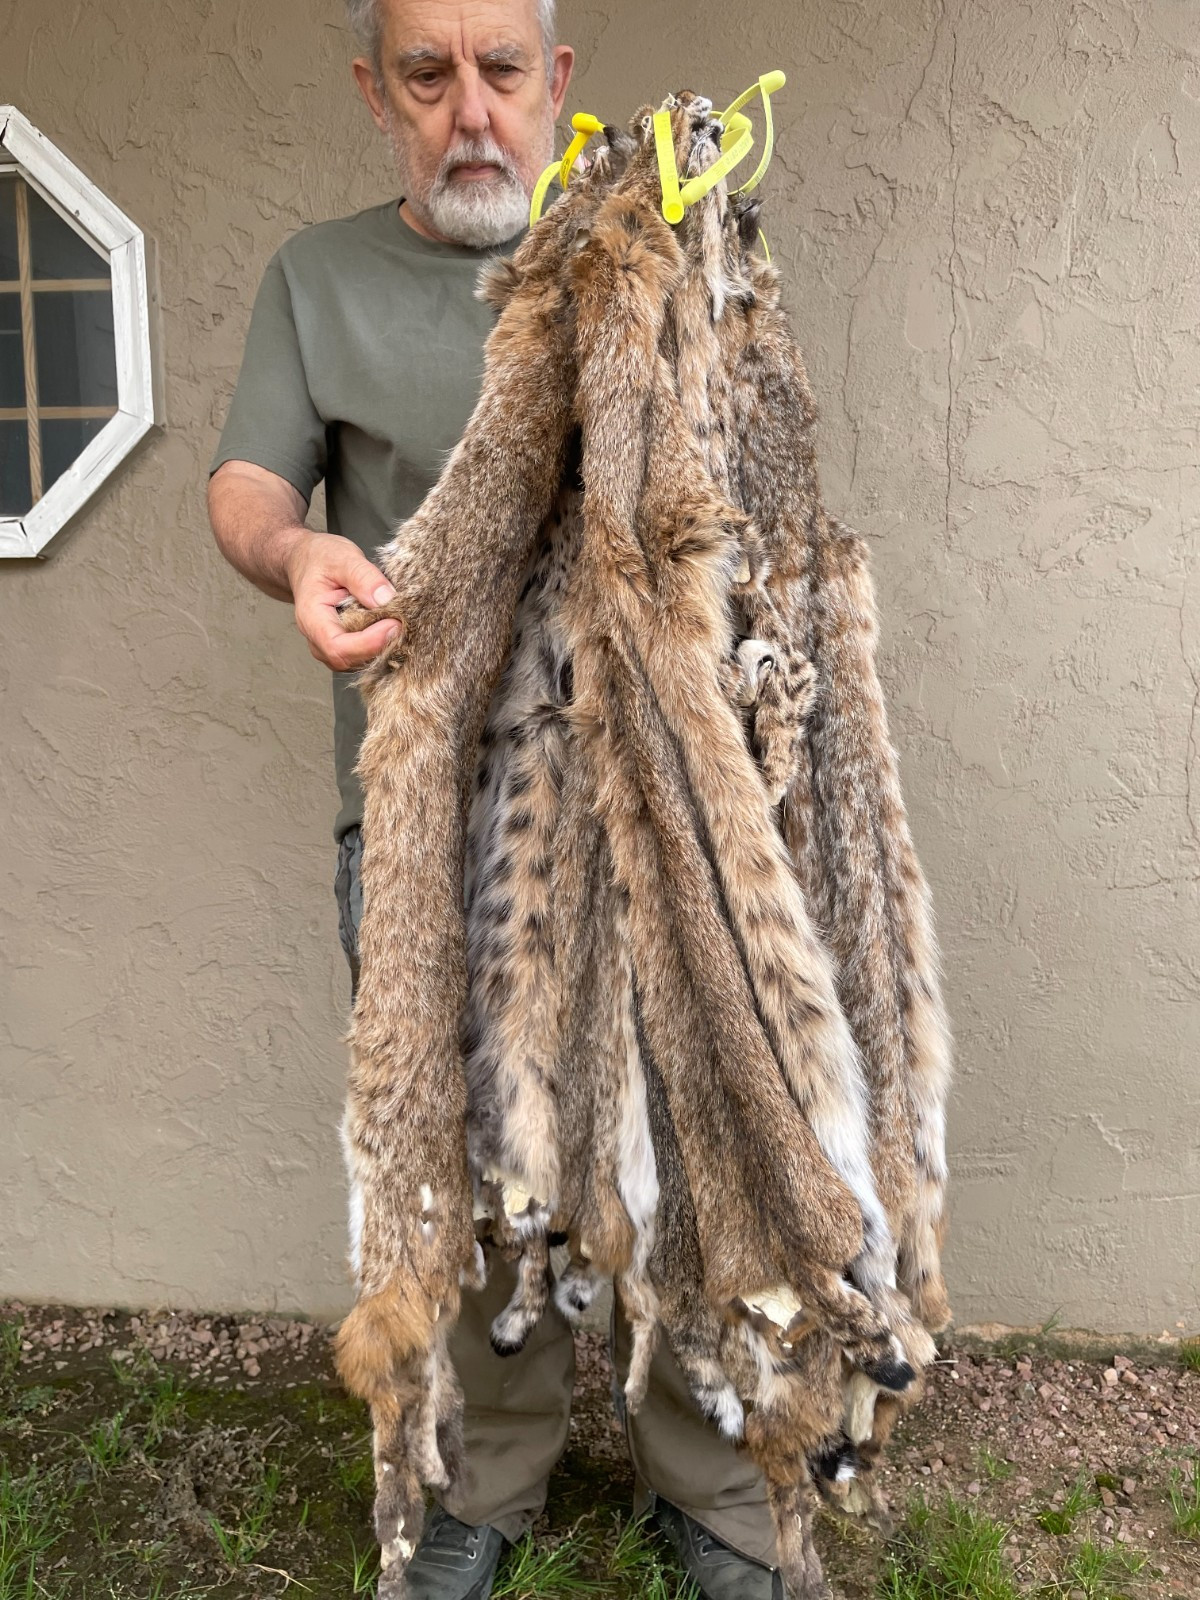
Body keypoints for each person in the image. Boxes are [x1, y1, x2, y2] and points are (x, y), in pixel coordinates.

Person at [208, 3, 787, 1595]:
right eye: (426, 74)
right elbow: (252, 483)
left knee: (692, 1134)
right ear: (375, 94)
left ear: (558, 85)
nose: (471, 111)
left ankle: (718, 1485)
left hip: (653, 806)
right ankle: (487, 1482)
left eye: (503, 71)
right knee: (458, 1153)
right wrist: (294, 552)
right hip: (426, 826)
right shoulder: (313, 284)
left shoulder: (651, 243)